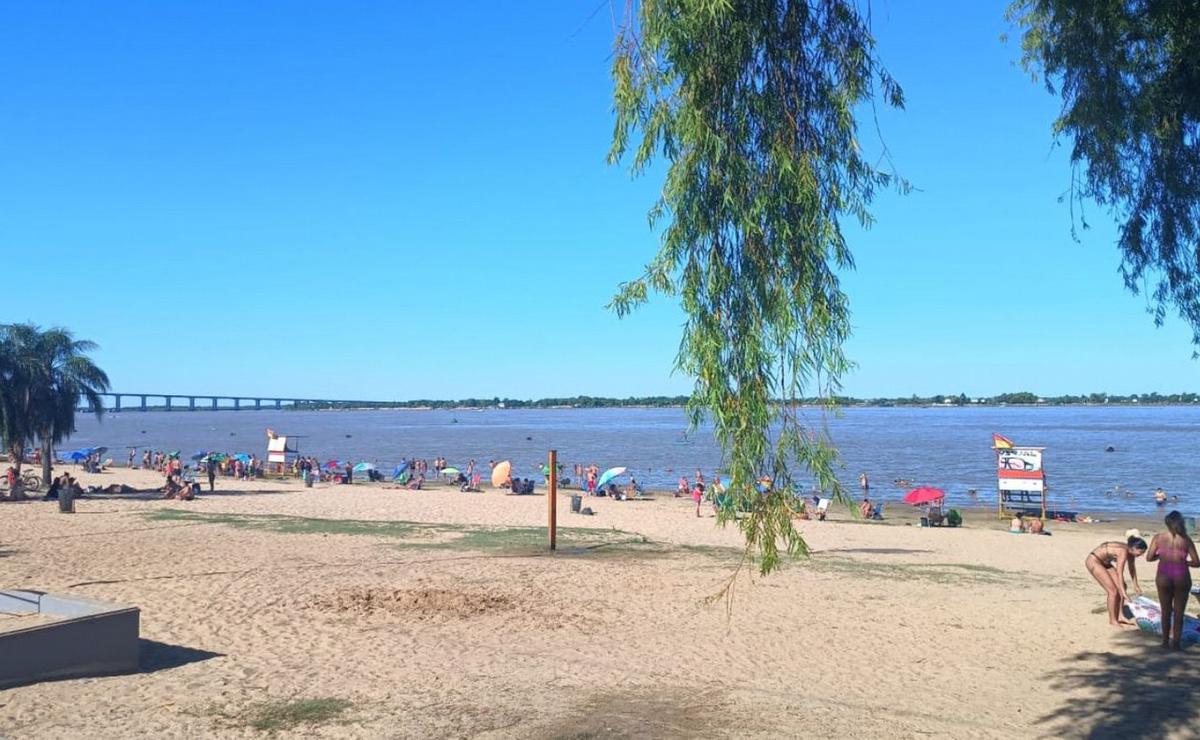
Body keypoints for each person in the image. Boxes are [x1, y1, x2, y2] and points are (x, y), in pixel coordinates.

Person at [1146, 511, 1200, 649]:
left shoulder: (1158, 538)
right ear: (1181, 522)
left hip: (1164, 576)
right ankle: (1176, 644)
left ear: (1167, 523)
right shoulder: (1186, 540)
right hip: (1182, 577)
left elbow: (1149, 557)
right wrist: (1184, 562)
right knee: (1179, 613)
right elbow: (1197, 562)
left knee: (1165, 611)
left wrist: (1161, 556)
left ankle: (1165, 642)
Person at [1085, 534, 1148, 627]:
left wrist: (1136, 585)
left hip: (1106, 563)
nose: (1141, 555)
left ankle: (1120, 615)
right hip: (1094, 561)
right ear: (1133, 548)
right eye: (1141, 552)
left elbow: (1132, 569)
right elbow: (1119, 573)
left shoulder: (1131, 552)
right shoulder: (1123, 551)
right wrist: (1123, 592)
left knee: (1123, 586)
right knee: (1113, 592)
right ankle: (1112, 620)